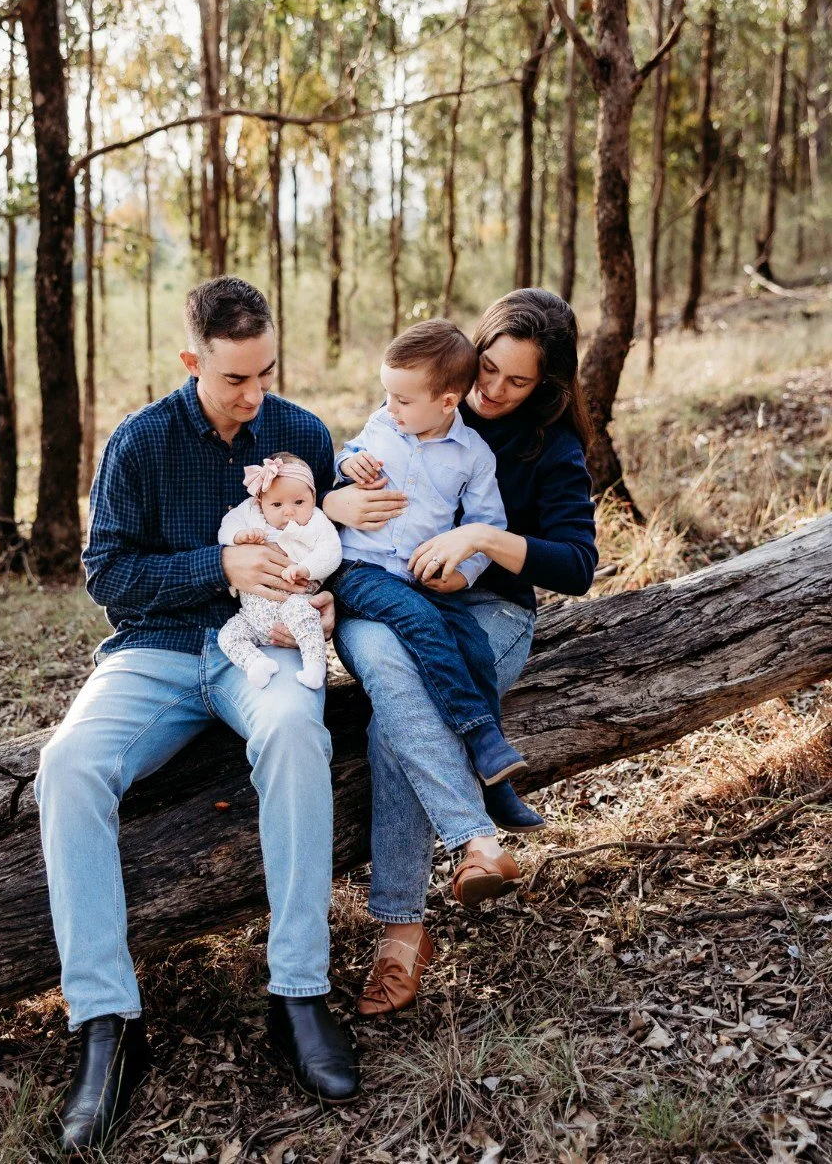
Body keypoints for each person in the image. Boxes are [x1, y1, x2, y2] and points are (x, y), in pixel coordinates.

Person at [36, 278, 358, 1158]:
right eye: (233, 379)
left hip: (273, 647)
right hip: (162, 652)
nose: (253, 395)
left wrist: (330, 604)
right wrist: (218, 567)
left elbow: (337, 553)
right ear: (192, 362)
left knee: (297, 732)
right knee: (66, 767)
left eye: (264, 373)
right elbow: (107, 577)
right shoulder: (139, 443)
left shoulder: (302, 436)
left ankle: (297, 995)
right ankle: (107, 1026)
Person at [322, 288, 598, 1018]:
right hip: (380, 591)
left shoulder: (553, 448)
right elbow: (343, 466)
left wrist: (478, 544)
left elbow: (576, 564)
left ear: (548, 384)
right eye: (489, 370)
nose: (494, 390)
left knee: (396, 723)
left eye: (518, 380)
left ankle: (401, 935)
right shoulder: (419, 402)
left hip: (489, 611)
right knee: (391, 678)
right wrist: (332, 504)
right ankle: (474, 838)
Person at [330, 319, 529, 789]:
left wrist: (464, 575)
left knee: (474, 644)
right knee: (422, 624)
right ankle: (479, 735)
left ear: (446, 401)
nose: (390, 406)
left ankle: (493, 775)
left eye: (402, 399)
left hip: (420, 575)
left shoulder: (474, 455)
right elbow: (350, 452)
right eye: (388, 394)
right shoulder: (383, 424)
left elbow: (489, 526)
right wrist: (346, 462)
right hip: (360, 568)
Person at [217, 452, 343, 690]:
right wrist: (238, 536)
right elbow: (228, 526)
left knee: (305, 619)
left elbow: (331, 552)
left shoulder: (316, 522)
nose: (289, 511)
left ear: (313, 497)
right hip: (251, 614)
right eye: (277, 504)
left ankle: (315, 666)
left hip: (293, 601)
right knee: (228, 635)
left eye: (299, 502)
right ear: (260, 502)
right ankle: (255, 663)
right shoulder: (251, 513)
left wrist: (306, 567)